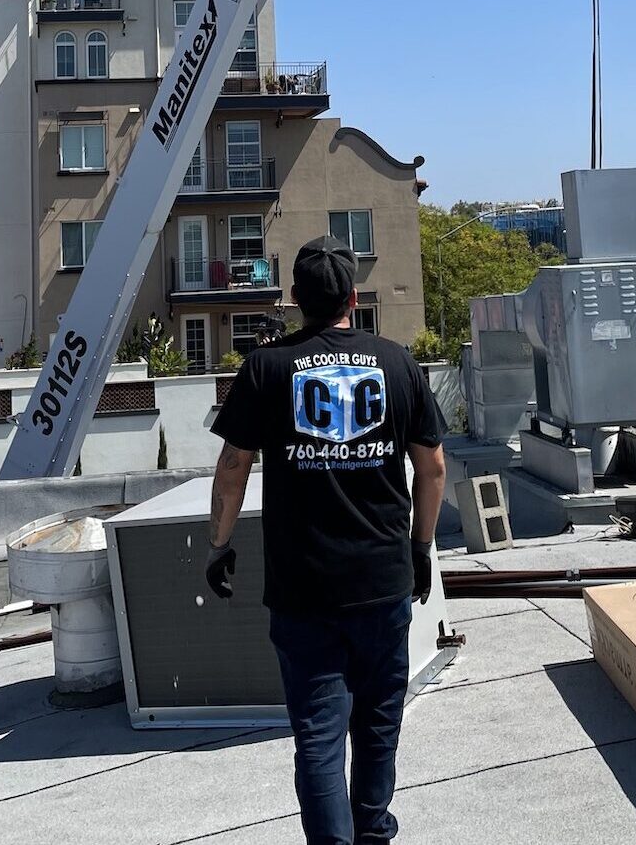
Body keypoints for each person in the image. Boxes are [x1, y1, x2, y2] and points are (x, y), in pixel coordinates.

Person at [205, 236, 447, 845]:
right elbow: (434, 468)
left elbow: (234, 465)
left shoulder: (265, 367)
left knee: (318, 732)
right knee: (377, 725)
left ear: (295, 300)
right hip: (383, 581)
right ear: (353, 298)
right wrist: (421, 548)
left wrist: (219, 544)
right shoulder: (398, 363)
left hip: (302, 588)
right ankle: (373, 831)